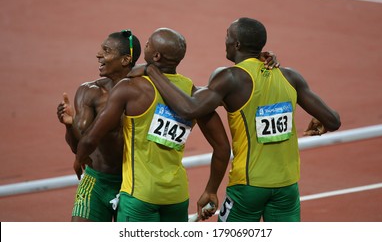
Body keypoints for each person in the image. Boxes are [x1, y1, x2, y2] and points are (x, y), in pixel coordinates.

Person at [131, 17, 341, 222]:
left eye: (227, 36)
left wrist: (152, 71)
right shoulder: (290, 76)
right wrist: (319, 119)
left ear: (237, 44)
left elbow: (189, 108)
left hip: (248, 185)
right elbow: (333, 121)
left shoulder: (231, 78)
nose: (225, 41)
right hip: (287, 186)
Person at [74, 28, 233, 222]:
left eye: (148, 44)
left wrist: (79, 157)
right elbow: (223, 147)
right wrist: (211, 189)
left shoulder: (131, 88)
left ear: (156, 56)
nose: (144, 47)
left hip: (139, 195)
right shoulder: (194, 93)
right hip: (177, 196)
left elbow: (91, 139)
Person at [56, 29, 141, 221]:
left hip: (135, 184)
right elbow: (78, 148)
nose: (98, 55)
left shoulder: (146, 94)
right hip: (97, 180)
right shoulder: (90, 92)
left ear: (125, 60)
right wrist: (69, 125)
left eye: (106, 50)